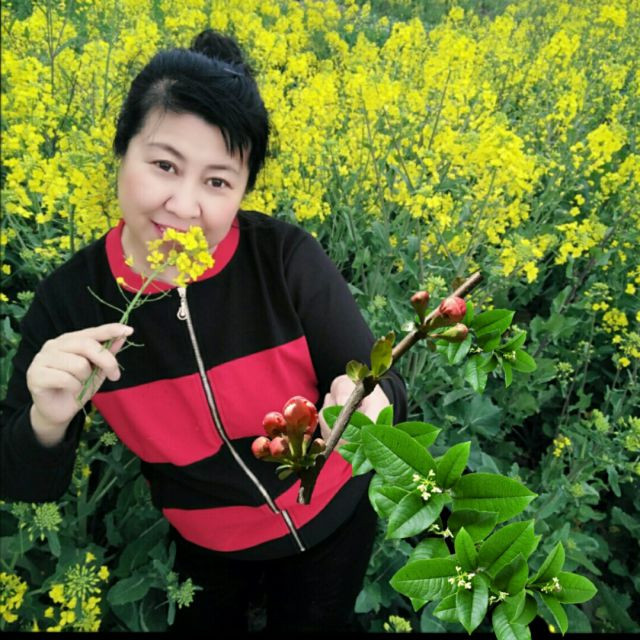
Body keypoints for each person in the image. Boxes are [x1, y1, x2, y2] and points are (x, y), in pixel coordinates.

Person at [0, 30, 407, 632]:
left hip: (332, 517)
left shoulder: (283, 258)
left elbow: (384, 381)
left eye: (217, 181)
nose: (184, 207)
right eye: (164, 166)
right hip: (208, 545)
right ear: (121, 151)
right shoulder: (69, 301)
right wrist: (47, 420)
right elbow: (23, 480)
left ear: (243, 190)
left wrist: (370, 402)